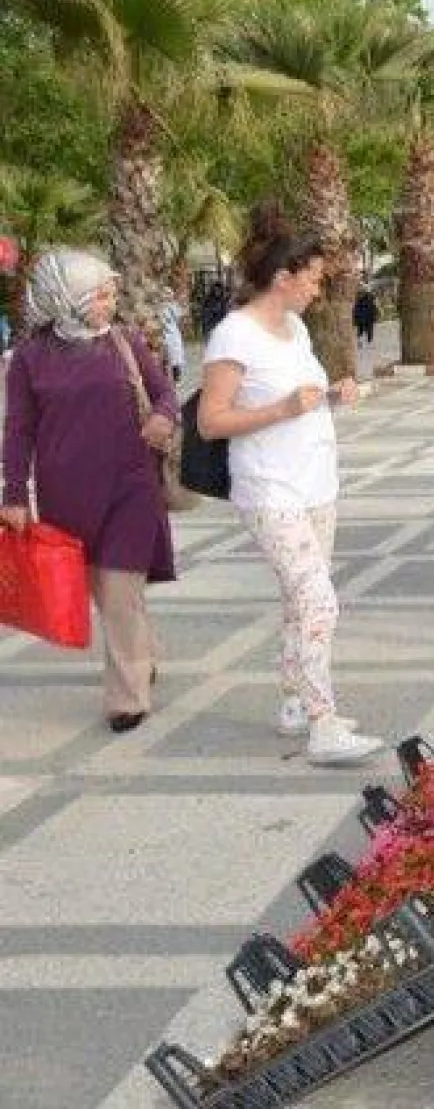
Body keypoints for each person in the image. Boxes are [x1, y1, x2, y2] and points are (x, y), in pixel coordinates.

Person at [195, 206, 383, 765]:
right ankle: (324, 724)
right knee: (319, 599)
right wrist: (281, 408)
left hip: (315, 483)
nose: (318, 287)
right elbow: (211, 420)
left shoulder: (296, 328)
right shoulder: (235, 335)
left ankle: (294, 704)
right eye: (314, 277)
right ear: (284, 278)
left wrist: (332, 394)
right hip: (269, 488)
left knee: (299, 602)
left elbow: (301, 394)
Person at [2, 249, 177, 733]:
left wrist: (163, 416)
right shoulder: (29, 359)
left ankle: (127, 698)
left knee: (120, 590)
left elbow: (164, 392)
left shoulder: (125, 341)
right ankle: (142, 652)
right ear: (67, 300)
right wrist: (13, 495)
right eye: (99, 295)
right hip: (68, 494)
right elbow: (18, 431)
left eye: (110, 294)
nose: (109, 303)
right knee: (106, 592)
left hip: (131, 486)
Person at [159, 289, 188, 382]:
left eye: (169, 294)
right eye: (165, 293)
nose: (167, 296)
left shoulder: (173, 306)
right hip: (163, 334)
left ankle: (176, 374)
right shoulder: (158, 307)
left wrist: (181, 305)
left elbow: (180, 317)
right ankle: (165, 375)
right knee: (166, 355)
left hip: (174, 333)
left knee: (175, 355)